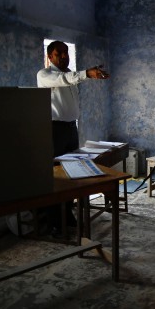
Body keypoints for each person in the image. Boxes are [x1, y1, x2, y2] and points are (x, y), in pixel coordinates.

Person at [36, 40, 109, 236]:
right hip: (54, 130)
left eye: (66, 52)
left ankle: (67, 215)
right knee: (56, 176)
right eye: (59, 53)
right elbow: (64, 80)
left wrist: (84, 75)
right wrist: (86, 74)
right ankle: (54, 222)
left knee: (71, 173)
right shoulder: (45, 75)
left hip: (70, 129)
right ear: (50, 56)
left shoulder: (69, 75)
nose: (63, 56)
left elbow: (68, 80)